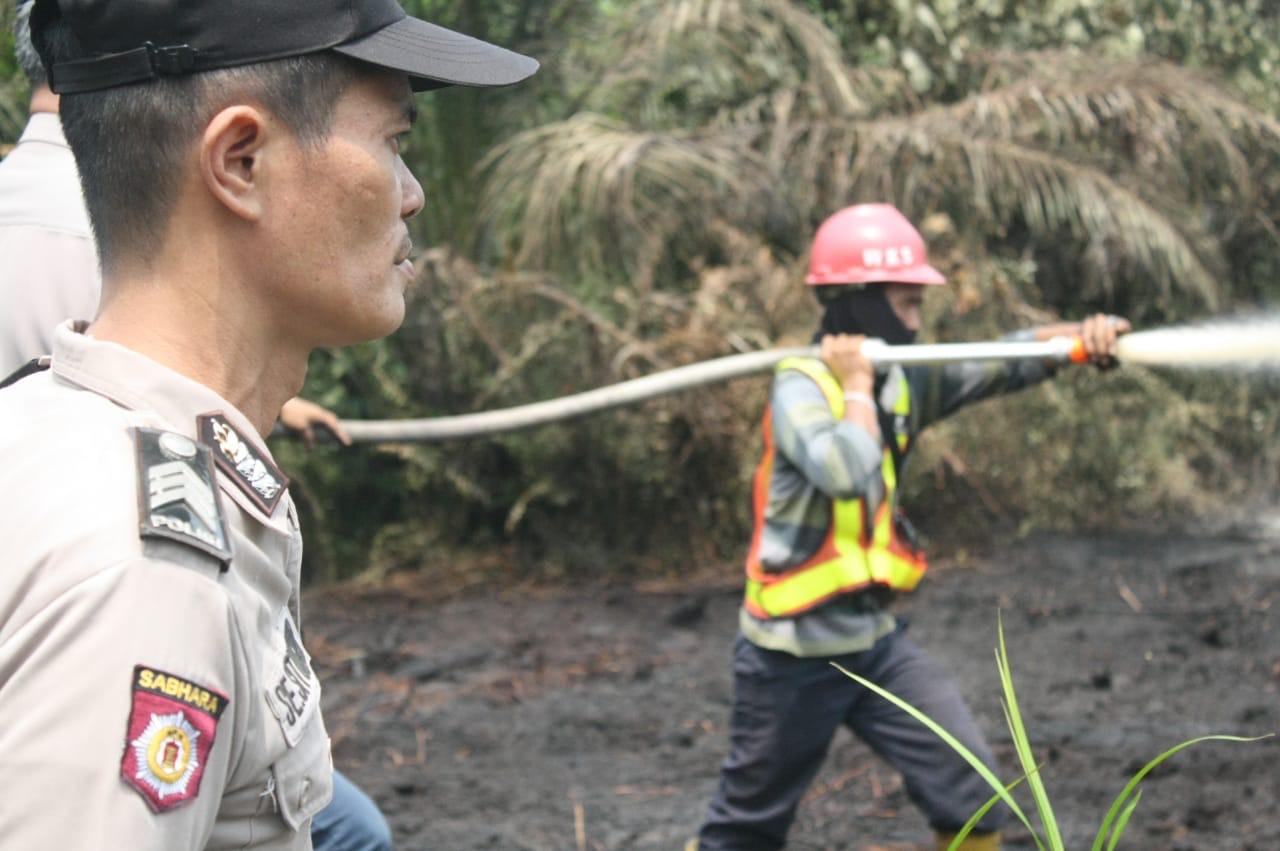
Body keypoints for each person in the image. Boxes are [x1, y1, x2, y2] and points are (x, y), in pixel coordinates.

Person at [0, 1, 536, 848]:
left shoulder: (48, 424)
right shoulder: (148, 580)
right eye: (393, 141)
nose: (413, 195)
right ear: (240, 161)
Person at [692, 204, 1129, 851]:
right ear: (857, 302)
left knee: (974, 796)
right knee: (745, 830)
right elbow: (844, 468)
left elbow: (1005, 359)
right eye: (906, 303)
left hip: (873, 643)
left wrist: (1080, 341)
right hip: (790, 654)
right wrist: (856, 386)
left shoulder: (902, 382)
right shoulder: (801, 387)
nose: (918, 322)